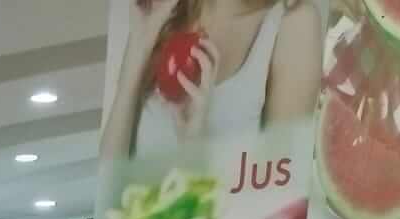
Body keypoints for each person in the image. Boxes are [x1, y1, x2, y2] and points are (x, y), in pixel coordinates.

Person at [99, 0, 322, 159]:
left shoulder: (293, 21)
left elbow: (282, 196)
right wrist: (137, 53)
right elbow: (108, 182)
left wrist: (194, 150)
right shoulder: (165, 10)